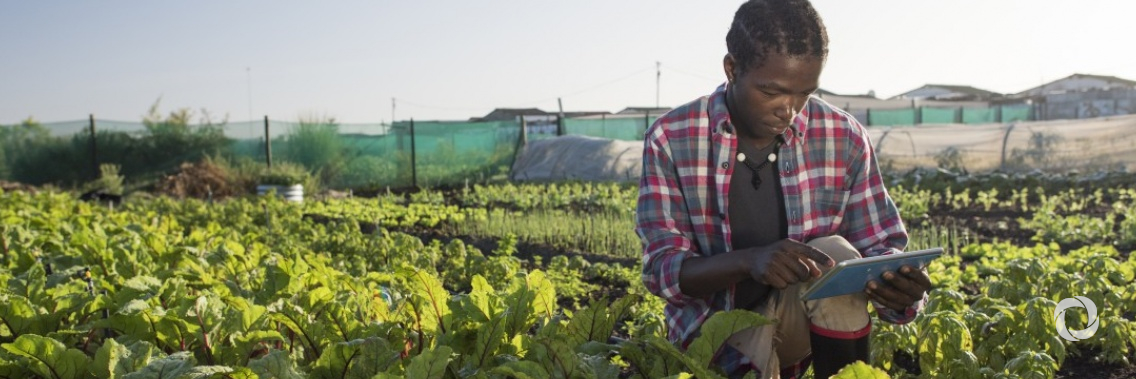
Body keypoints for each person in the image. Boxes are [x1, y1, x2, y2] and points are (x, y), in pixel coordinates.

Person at [635, 1, 932, 378]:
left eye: (804, 93)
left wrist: (897, 287)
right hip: (711, 339)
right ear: (732, 69)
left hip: (792, 328)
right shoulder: (672, 137)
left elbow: (879, 245)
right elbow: (663, 271)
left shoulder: (844, 137)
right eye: (771, 92)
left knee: (834, 254)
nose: (789, 110)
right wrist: (749, 261)